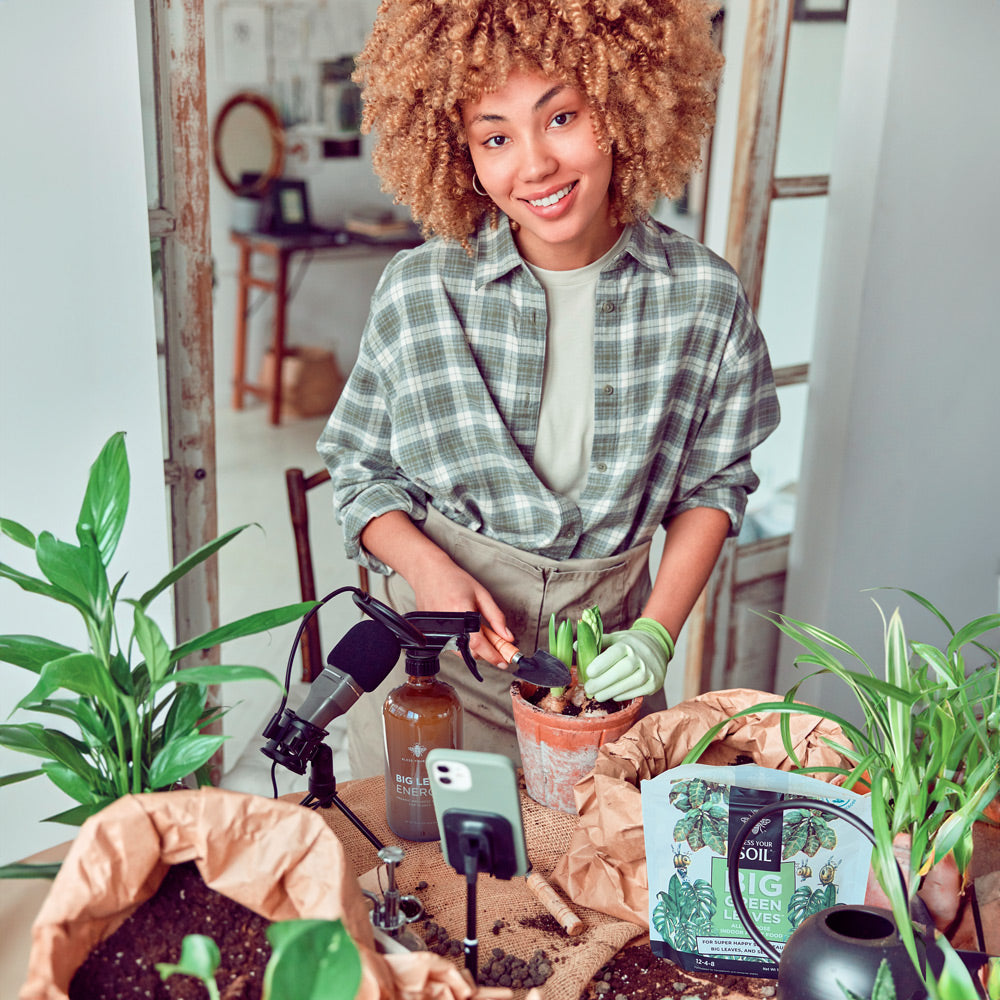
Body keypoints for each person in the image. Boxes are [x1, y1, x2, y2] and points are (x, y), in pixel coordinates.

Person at [317, 0, 780, 779]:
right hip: (434, 679)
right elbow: (360, 474)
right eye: (495, 137)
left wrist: (657, 635)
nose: (533, 165)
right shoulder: (420, 291)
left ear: (627, 104)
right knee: (413, 886)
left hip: (601, 693)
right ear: (460, 155)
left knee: (596, 889)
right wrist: (431, 571)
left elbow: (716, 484)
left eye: (561, 117)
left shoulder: (702, 296)